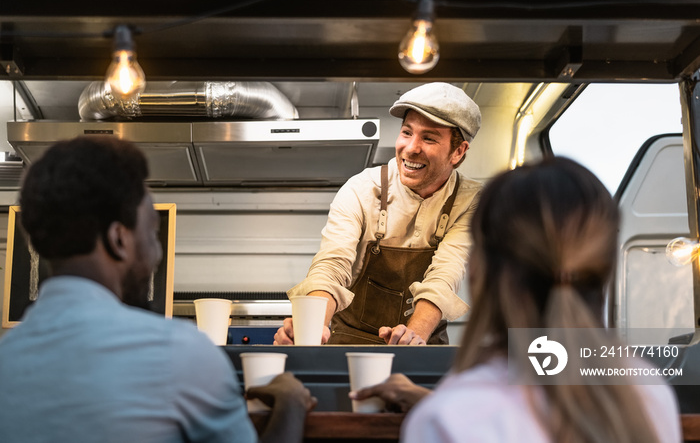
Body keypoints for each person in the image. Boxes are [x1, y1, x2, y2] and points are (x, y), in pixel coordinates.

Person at [0, 136, 315, 443]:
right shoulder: (181, 353)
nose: (156, 255)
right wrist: (290, 405)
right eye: (152, 233)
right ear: (119, 240)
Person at [350, 157, 681, 442]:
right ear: (604, 269)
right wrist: (425, 398)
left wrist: (436, 404)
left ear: (477, 270)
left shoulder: (446, 420)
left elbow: (492, 416)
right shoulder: (650, 393)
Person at [275, 82, 483, 345]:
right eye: (407, 132)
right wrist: (313, 326)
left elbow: (445, 274)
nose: (411, 148)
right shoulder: (361, 189)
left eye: (428, 138)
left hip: (421, 342)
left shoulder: (471, 202)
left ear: (458, 152)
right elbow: (332, 265)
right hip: (349, 339)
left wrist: (414, 335)